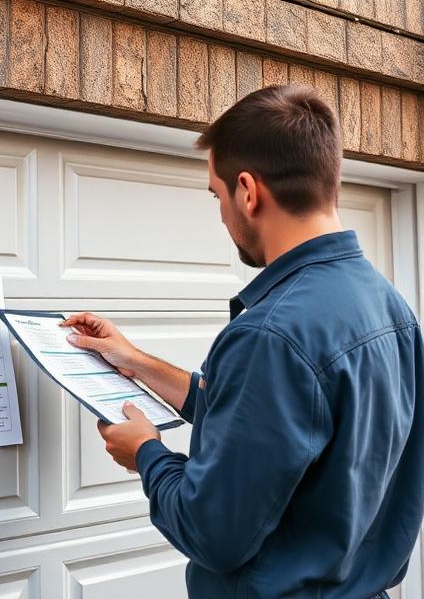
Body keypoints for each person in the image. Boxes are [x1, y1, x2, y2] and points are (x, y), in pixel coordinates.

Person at [60, 85, 424, 599]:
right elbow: (275, 419)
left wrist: (146, 453)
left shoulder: (272, 333)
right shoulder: (390, 309)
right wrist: (135, 361)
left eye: (217, 194)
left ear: (248, 191)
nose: (222, 215)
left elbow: (214, 533)